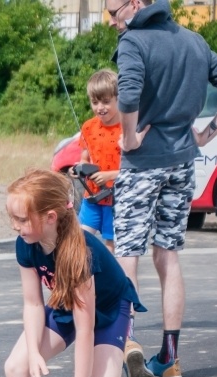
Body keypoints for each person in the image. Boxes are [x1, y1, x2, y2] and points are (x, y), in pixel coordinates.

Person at [106, 0, 217, 377]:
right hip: (183, 163)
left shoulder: (133, 41)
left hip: (142, 164)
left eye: (113, 12)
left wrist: (129, 139)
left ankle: (127, 341)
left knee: (128, 253)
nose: (112, 22)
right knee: (167, 254)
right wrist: (205, 135)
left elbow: (129, 96)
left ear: (135, 4)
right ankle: (169, 358)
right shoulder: (193, 41)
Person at [0, 169, 146, 377]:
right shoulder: (27, 244)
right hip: (65, 304)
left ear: (50, 217)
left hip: (108, 311)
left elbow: (86, 327)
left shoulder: (80, 253)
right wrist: (34, 352)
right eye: (12, 218)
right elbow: (33, 304)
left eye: (21, 219)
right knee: (16, 368)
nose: (15, 226)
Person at [70, 68, 121, 255]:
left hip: (116, 199)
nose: (100, 107)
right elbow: (84, 157)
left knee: (110, 244)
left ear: (118, 99)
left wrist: (109, 175)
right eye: (95, 102)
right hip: (91, 197)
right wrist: (78, 168)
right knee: (81, 240)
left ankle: (108, 272)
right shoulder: (88, 127)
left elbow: (134, 169)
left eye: (106, 102)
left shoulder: (127, 127)